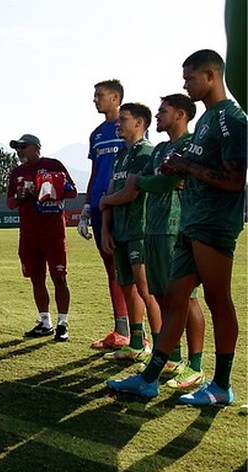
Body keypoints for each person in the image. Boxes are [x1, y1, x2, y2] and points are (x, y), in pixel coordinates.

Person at [108, 49, 246, 406]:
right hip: (191, 222)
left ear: (211, 76)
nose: (186, 84)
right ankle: (150, 378)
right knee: (175, 300)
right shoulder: (207, 122)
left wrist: (187, 166)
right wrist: (181, 167)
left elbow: (234, 180)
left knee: (217, 301)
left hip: (214, 223)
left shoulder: (231, 119)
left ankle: (220, 384)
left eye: (190, 78)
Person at [132, 94, 205, 389]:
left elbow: (159, 182)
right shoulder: (161, 149)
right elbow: (149, 179)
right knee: (161, 296)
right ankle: (172, 357)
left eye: (164, 111)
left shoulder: (190, 145)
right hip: (153, 228)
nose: (158, 115)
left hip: (176, 228)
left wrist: (149, 181)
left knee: (185, 298)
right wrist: (150, 180)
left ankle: (196, 365)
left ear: (181, 115)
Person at [98, 103, 156, 361]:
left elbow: (129, 193)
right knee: (126, 287)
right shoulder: (121, 154)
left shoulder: (146, 152)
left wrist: (105, 202)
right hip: (119, 231)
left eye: (124, 119)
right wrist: (105, 229)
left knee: (145, 288)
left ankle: (162, 348)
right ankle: (135, 342)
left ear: (140, 123)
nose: (118, 123)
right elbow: (111, 192)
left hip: (138, 230)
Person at [6, 134, 78, 342]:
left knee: (59, 278)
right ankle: (45, 322)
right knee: (36, 279)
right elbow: (10, 203)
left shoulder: (53, 165)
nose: (19, 151)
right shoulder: (17, 173)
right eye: (17, 148)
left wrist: (52, 187)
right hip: (29, 235)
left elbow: (72, 191)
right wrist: (21, 195)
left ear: (36, 147)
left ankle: (62, 323)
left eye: (23, 147)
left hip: (53, 233)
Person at [80, 80, 130, 349]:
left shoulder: (130, 126)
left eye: (100, 95)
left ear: (116, 97)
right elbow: (94, 172)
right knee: (112, 269)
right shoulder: (97, 134)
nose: (95, 99)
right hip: (100, 208)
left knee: (131, 269)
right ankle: (121, 329)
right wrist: (87, 206)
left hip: (123, 206)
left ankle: (139, 332)